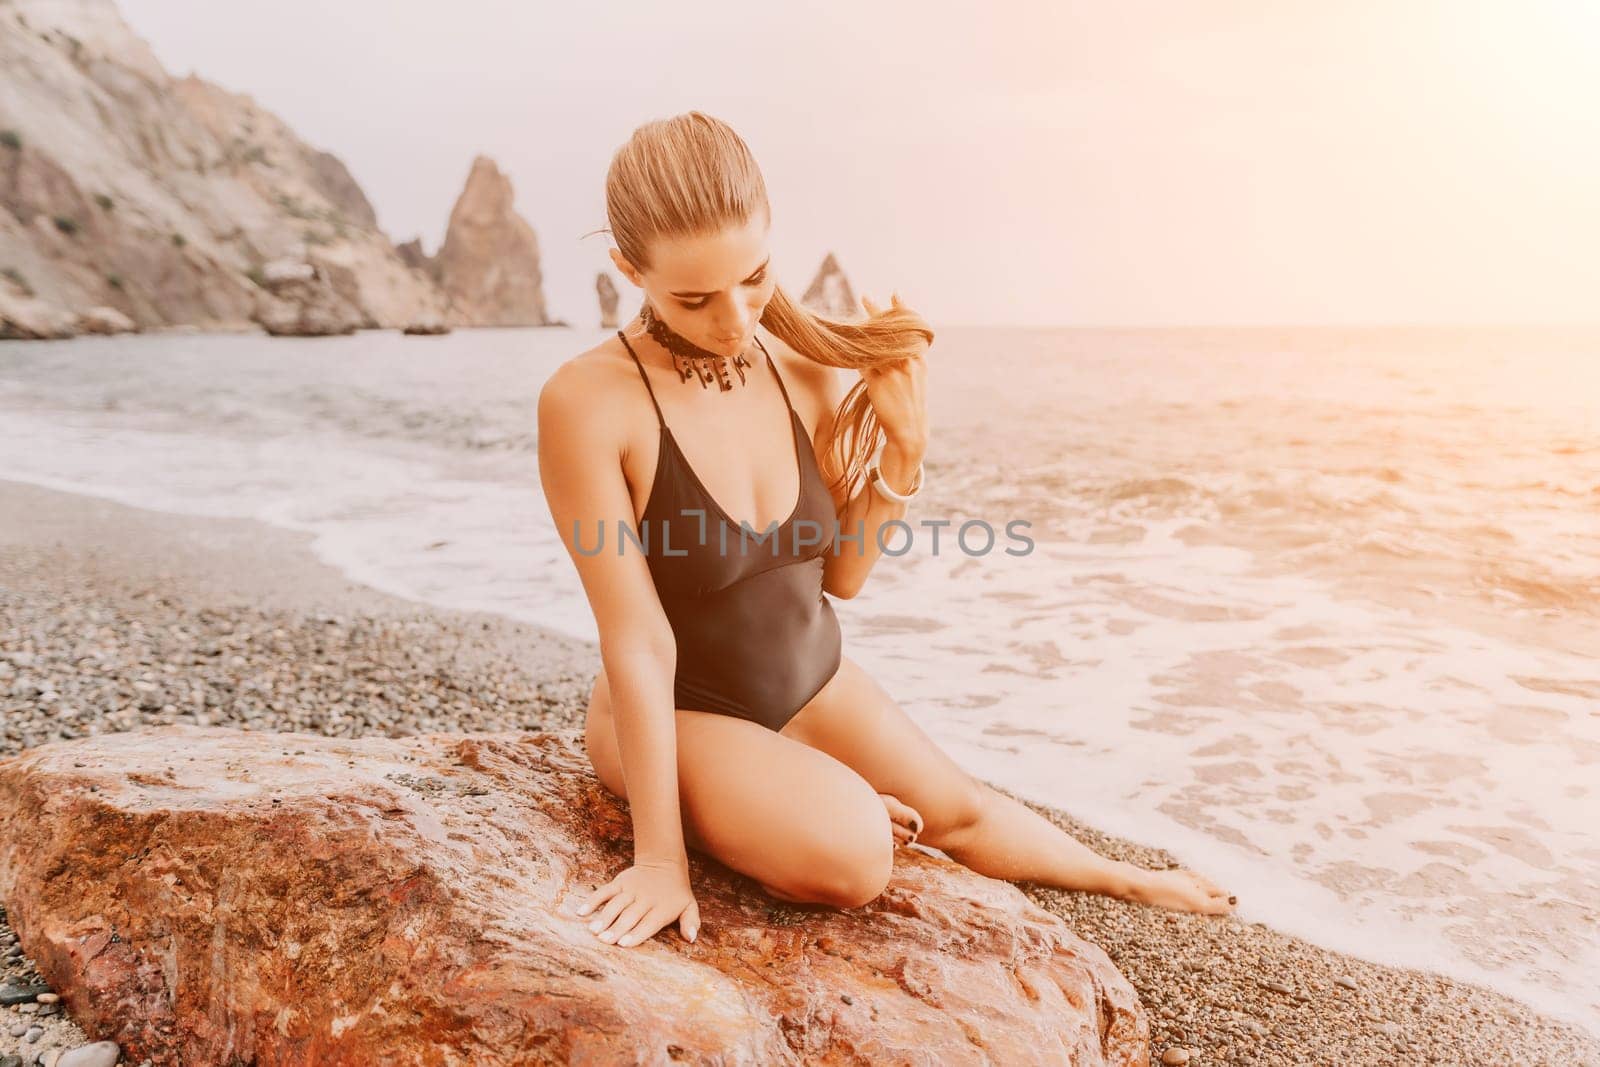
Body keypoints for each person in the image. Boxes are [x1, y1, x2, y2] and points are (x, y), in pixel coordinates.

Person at [536, 110, 1235, 950]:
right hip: (672, 711)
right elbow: (638, 640)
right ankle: (827, 800)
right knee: (858, 856)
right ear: (627, 269)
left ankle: (1129, 875)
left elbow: (842, 578)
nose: (735, 317)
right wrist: (660, 860)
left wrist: (905, 449)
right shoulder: (589, 402)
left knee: (962, 815)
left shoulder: (803, 368)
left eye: (754, 278)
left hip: (806, 679)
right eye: (694, 297)